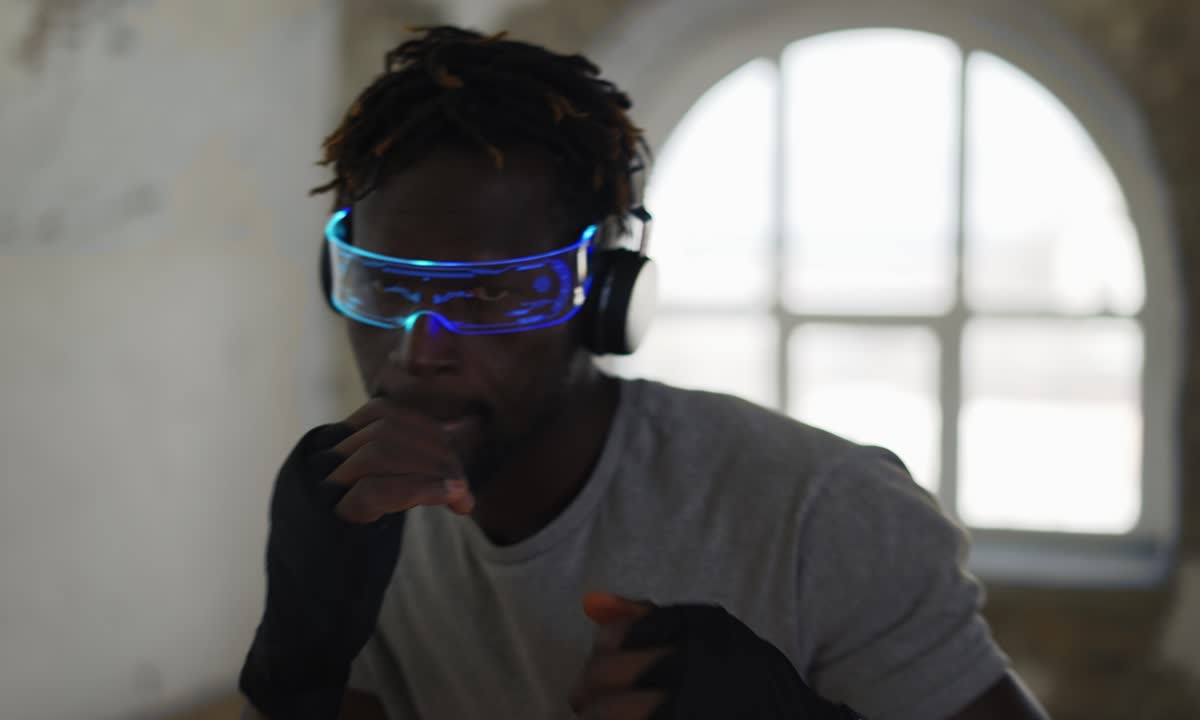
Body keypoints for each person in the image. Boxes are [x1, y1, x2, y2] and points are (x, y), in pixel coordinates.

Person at [238, 26, 1050, 720]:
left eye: (491, 291)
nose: (422, 345)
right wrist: (297, 658)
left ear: (606, 300)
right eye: (385, 286)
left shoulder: (821, 512)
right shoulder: (364, 513)